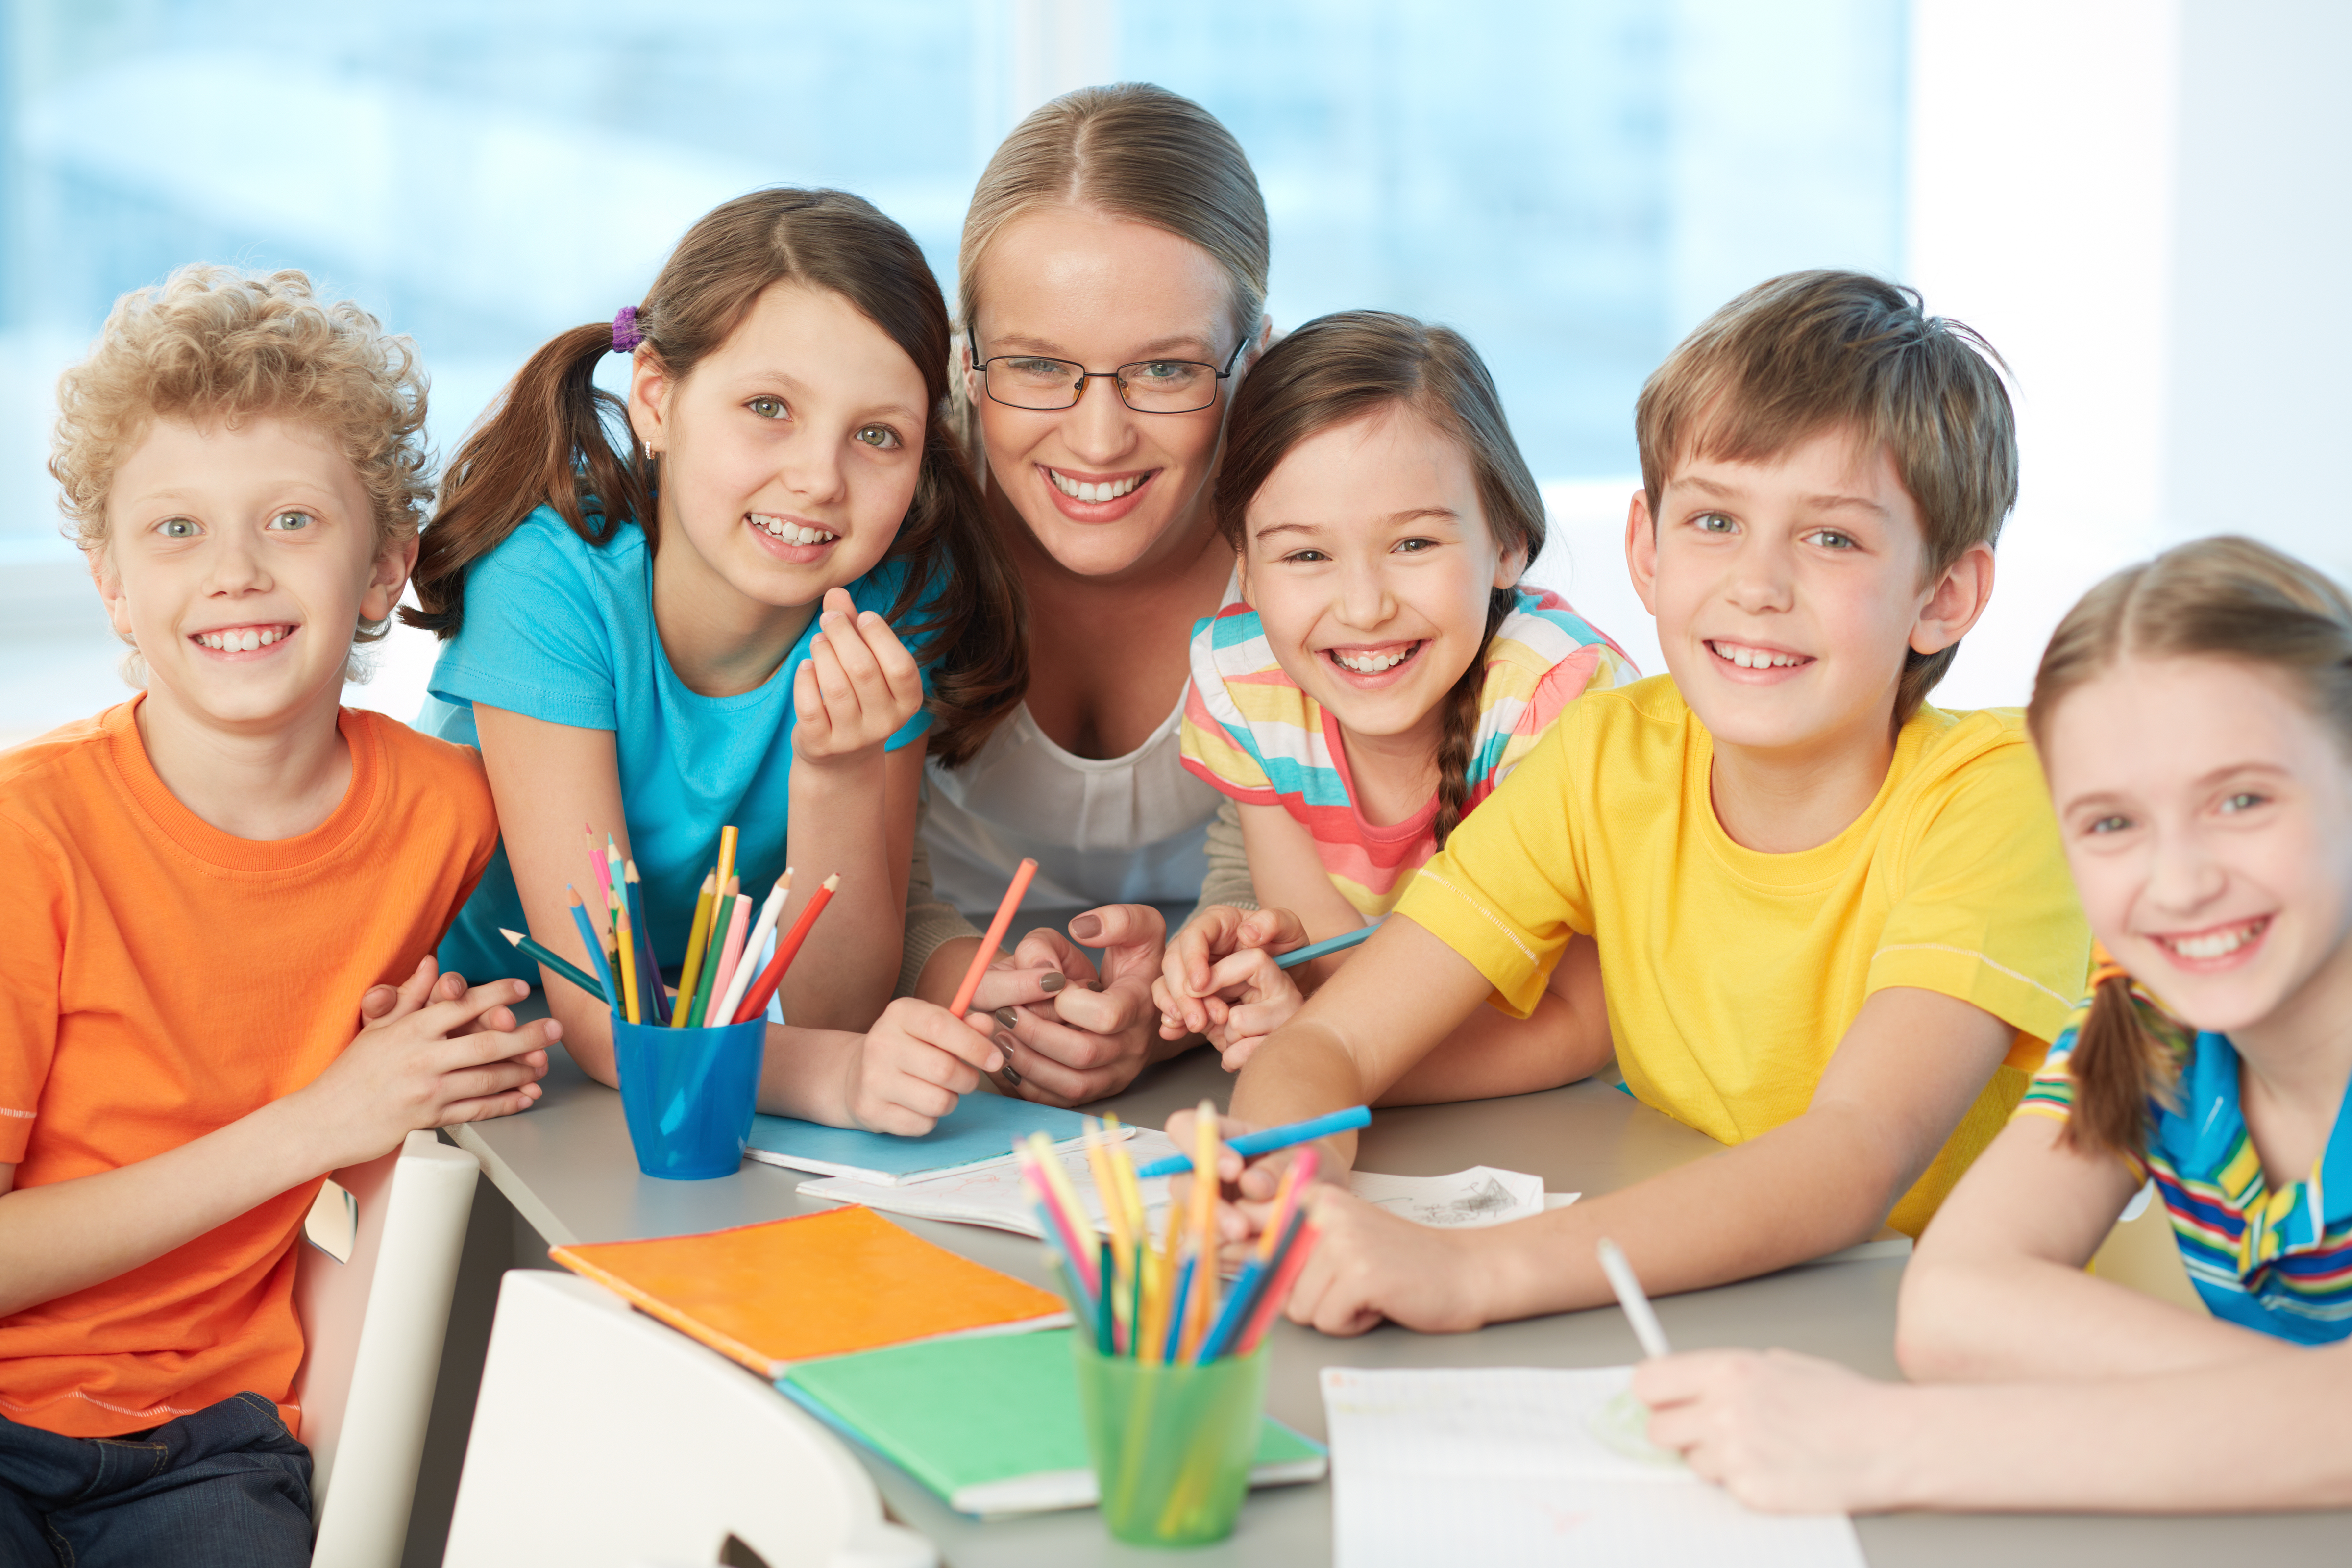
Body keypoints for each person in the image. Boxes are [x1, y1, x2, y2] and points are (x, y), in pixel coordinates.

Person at [1187, 270, 2092, 1333]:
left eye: (1832, 537)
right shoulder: (1607, 757)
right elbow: (1330, 1044)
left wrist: (1467, 1271)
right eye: (1715, 519)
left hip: (1965, 1322)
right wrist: (1287, 1191)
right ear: (1647, 551)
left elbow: (1852, 1157)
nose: (1758, 583)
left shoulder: (2002, 798)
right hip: (1725, 1304)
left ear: (1944, 597)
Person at [0, 266, 555, 1564]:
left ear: (382, 573)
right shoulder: (28, 838)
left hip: (218, 1441)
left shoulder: (452, 814)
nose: (237, 573)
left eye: (293, 520)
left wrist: (453, 1040)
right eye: (177, 530)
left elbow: (580, 978)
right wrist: (327, 1117)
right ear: (111, 586)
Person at [1636, 537, 2352, 1515]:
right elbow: (1955, 1305)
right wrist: (2301, 1423)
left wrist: (1887, 1445)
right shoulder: (2151, 1024)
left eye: (2242, 799)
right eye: (2111, 824)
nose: (2180, 881)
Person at [410, 188, 1026, 1136]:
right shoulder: (546, 575)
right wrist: (841, 1082)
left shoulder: (895, 598)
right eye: (769, 408)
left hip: (684, 1044)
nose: (821, 478)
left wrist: (839, 771)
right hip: (474, 1034)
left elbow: (835, 1006)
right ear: (656, 399)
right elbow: (604, 1007)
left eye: (878, 436)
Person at [901, 83, 1274, 1106]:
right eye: (1037, 365)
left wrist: (1167, 1017)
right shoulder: (893, 509)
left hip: (1229, 1055)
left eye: (1164, 368)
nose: (1099, 439)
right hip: (929, 1053)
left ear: (1257, 357)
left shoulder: (1315, 543)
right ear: (964, 360)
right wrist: (963, 979)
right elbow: (815, 847)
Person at [1153, 310, 1633, 1096]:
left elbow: (1583, 1020)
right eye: (1306, 554)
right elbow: (1338, 967)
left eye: (1413, 545)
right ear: (1244, 565)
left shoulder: (1560, 704)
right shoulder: (1246, 681)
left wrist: (1320, 1055)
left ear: (1508, 540)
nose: (1365, 607)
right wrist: (1272, 993)